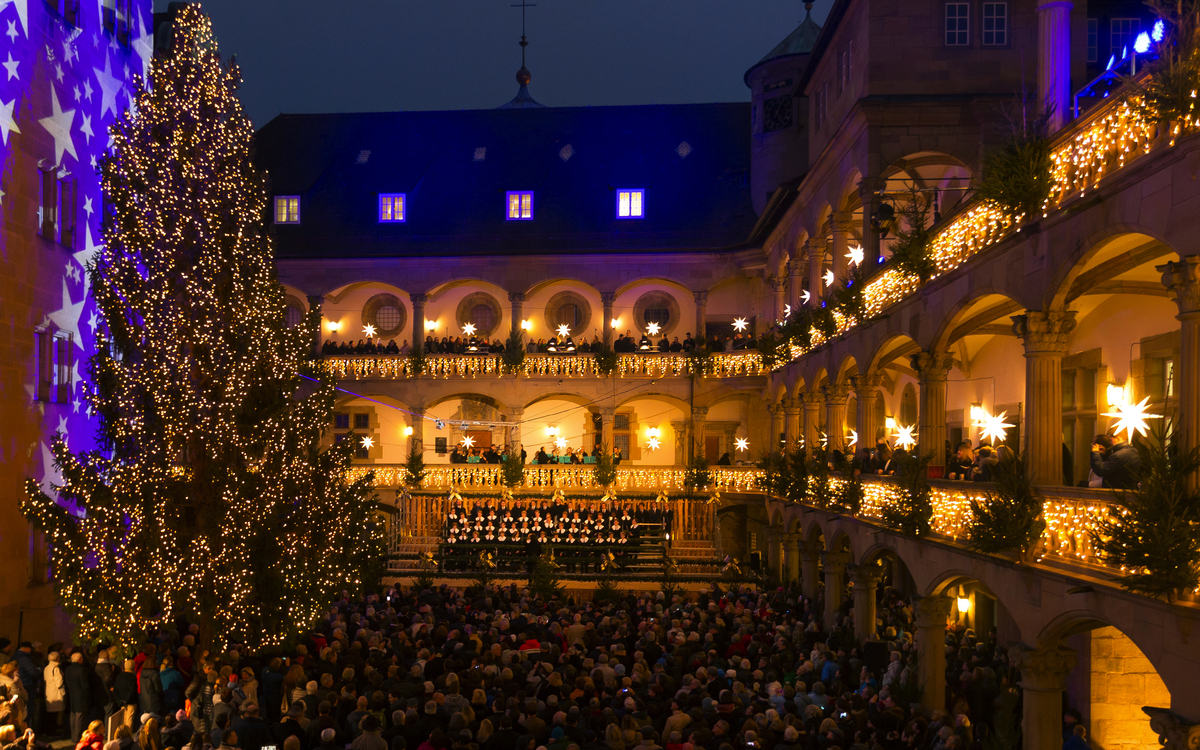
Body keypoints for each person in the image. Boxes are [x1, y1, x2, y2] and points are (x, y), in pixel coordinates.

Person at [64, 653, 93, 741]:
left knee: (73, 716)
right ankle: (77, 737)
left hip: (71, 695)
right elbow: (85, 685)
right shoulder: (82, 670)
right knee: (80, 718)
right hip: (81, 697)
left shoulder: (68, 669)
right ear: (80, 659)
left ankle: (73, 736)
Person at [44, 652, 65, 734]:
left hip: (49, 692)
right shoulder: (56, 669)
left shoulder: (46, 668)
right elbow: (59, 682)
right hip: (56, 693)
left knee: (50, 714)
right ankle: (53, 730)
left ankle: (49, 730)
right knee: (56, 713)